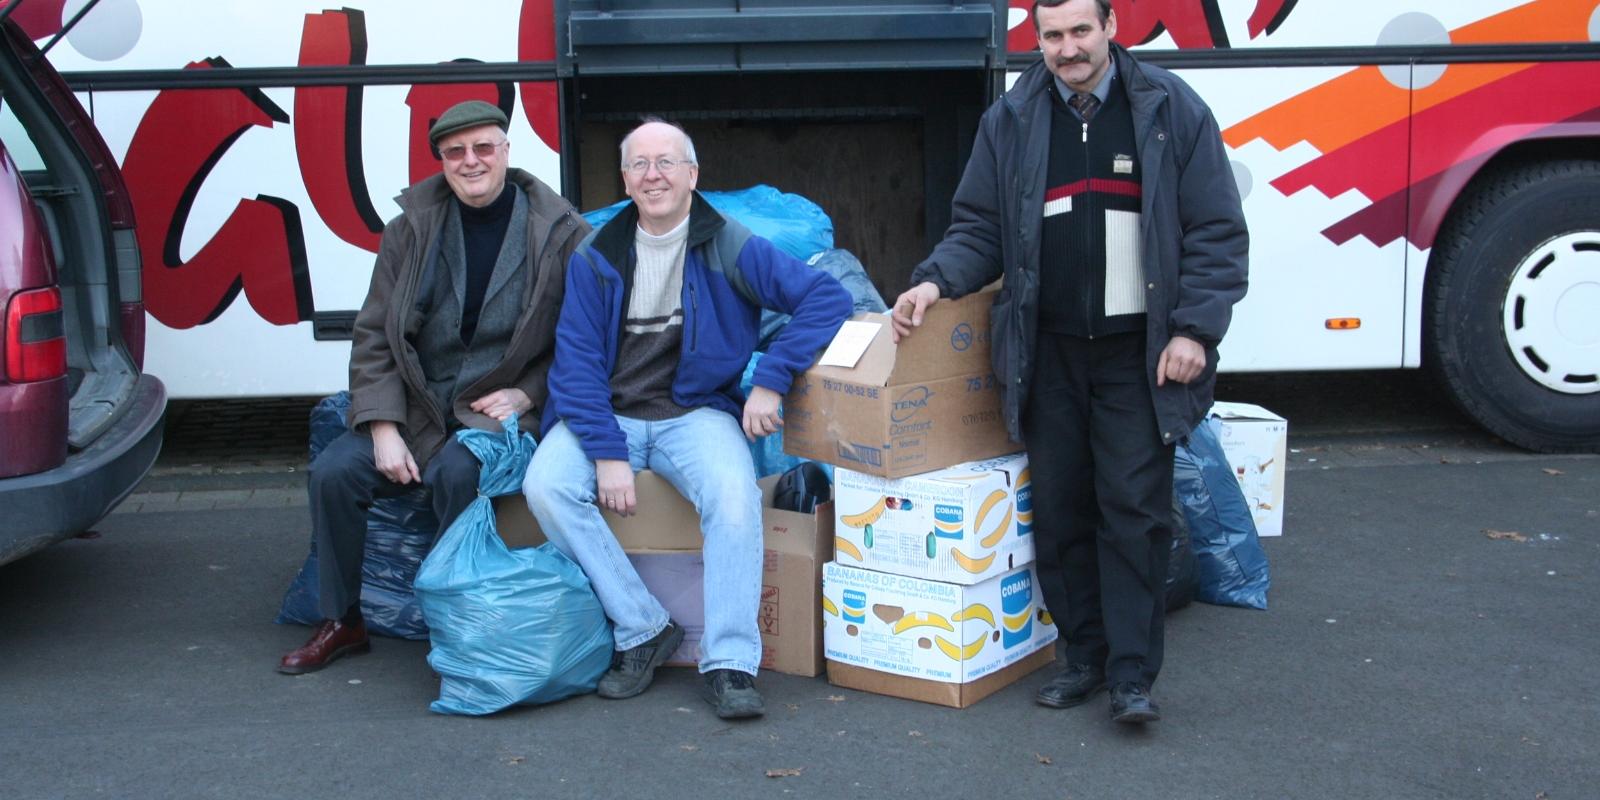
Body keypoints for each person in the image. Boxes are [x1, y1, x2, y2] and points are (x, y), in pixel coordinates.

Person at [890, 0, 1248, 724]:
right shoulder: (1014, 119)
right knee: (1059, 513)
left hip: (1137, 357)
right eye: (1052, 35)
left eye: (1081, 31)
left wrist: (1195, 331)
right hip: (1045, 351)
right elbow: (980, 227)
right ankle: (1081, 658)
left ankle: (1131, 677)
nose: (1067, 49)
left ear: (1112, 27)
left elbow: (1214, 229)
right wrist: (934, 280)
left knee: (1134, 513)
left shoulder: (1170, 110)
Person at [521, 119, 851, 719]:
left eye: (667, 162)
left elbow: (826, 298)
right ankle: (643, 627)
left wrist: (771, 380)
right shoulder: (596, 256)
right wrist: (607, 453)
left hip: (694, 413)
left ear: (693, 175)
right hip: (610, 413)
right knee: (544, 485)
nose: (654, 175)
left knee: (732, 495)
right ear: (625, 179)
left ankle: (729, 662)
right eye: (640, 164)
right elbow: (575, 368)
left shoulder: (728, 244)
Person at [279, 100, 589, 675]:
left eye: (483, 148)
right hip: (418, 407)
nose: (471, 162)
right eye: (455, 152)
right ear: (442, 162)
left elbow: (583, 340)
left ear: (505, 151)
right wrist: (381, 425)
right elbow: (373, 334)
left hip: (498, 408)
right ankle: (342, 619)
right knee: (334, 472)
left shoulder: (563, 234)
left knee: (456, 473)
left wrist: (530, 394)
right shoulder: (410, 229)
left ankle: (456, 622)